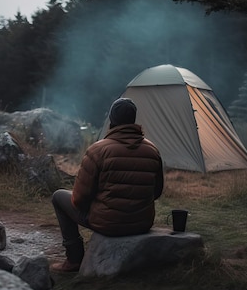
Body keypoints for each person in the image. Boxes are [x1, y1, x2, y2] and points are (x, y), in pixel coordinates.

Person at [51, 97, 164, 272]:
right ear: (133, 119)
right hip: (142, 222)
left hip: (108, 223)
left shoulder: (97, 150)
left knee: (58, 196)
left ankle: (74, 259)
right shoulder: (152, 150)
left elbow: (79, 199)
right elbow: (156, 192)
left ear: (112, 120)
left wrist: (97, 205)